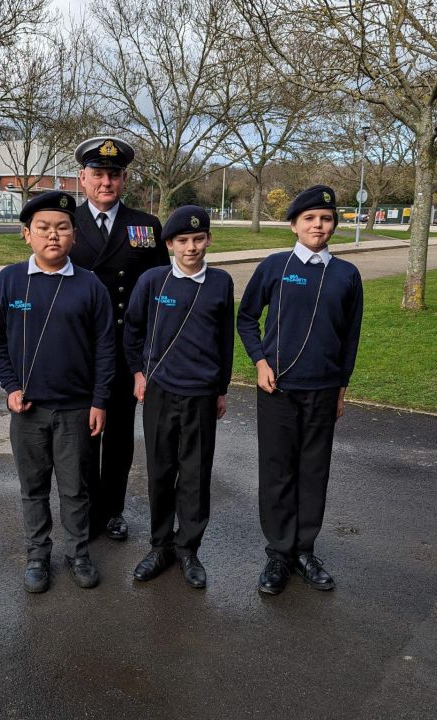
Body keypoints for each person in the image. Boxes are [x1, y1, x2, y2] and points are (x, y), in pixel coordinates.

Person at [0, 191, 115, 593]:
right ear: (26, 235)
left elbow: (107, 347)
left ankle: (78, 553)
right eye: (43, 228)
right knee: (33, 488)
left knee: (76, 488)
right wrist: (10, 385)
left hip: (76, 409)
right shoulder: (8, 280)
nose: (52, 236)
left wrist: (100, 400)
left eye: (62, 228)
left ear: (74, 235)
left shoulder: (90, 286)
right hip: (28, 410)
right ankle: (37, 555)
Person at [237, 185, 364, 595]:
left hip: (323, 389)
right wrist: (259, 361)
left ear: (334, 226)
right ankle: (278, 553)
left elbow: (350, 338)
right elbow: (246, 318)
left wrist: (342, 388)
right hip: (278, 389)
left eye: (326, 219)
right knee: (277, 470)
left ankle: (304, 549)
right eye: (309, 218)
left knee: (313, 471)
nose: (318, 225)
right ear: (294, 224)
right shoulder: (274, 267)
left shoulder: (346, 274)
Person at [124, 206, 234, 588]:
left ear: (208, 240)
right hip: (160, 391)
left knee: (196, 473)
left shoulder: (220, 282)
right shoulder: (153, 281)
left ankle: (188, 547)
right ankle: (159, 545)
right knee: (161, 469)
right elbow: (133, 330)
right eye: (183, 241)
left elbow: (224, 340)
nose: (191, 247)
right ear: (169, 244)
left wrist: (221, 389)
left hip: (201, 393)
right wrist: (138, 374)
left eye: (198, 239)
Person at [69, 136, 170, 542]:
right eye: (98, 174)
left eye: (113, 174)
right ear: (82, 177)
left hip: (127, 350)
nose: (105, 181)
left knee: (120, 438)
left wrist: (149, 355)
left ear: (124, 178)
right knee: (83, 435)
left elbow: (161, 290)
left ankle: (112, 510)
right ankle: (85, 509)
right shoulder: (65, 223)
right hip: (80, 350)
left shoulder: (145, 226)